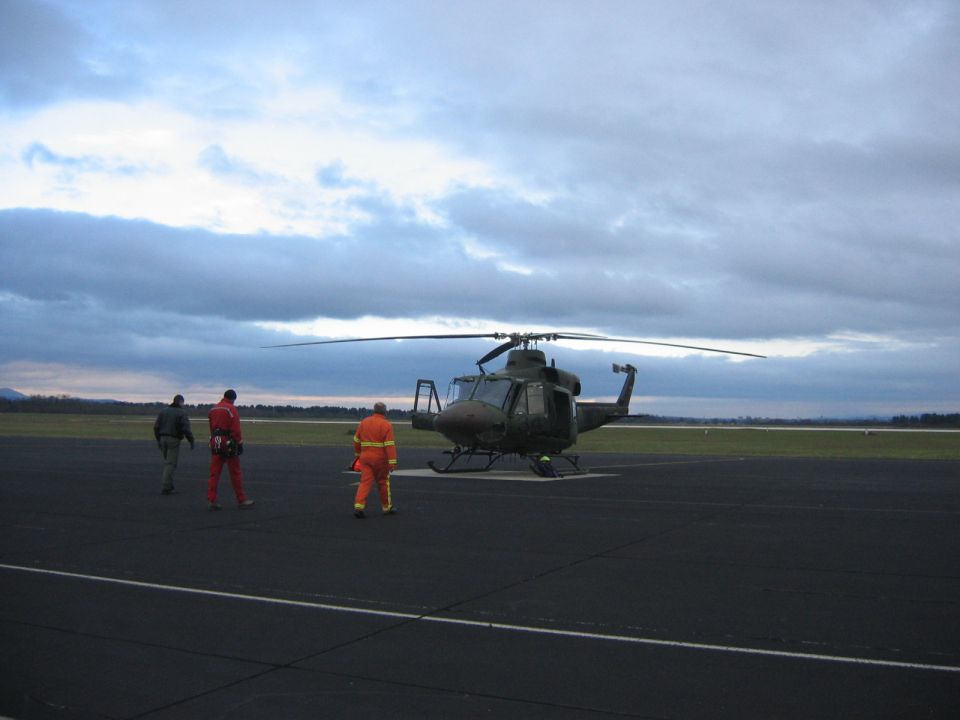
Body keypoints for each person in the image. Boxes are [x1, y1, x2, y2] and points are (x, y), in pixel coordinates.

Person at [207, 389, 254, 510]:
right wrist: (239, 442)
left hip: (216, 439)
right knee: (235, 471)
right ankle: (241, 499)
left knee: (215, 471)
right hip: (228, 440)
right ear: (233, 399)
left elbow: (211, 426)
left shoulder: (213, 409)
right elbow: (236, 429)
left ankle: (212, 500)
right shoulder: (231, 409)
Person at [352, 401, 397, 518]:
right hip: (381, 459)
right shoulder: (386, 425)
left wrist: (358, 454)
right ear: (385, 412)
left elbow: (356, 440)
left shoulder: (364, 422)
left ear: (374, 410)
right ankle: (387, 507)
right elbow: (389, 445)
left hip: (365, 458)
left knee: (365, 482)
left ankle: (359, 506)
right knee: (383, 482)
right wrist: (392, 462)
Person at [153, 394, 195, 494]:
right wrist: (191, 440)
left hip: (162, 438)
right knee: (170, 464)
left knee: (167, 462)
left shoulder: (163, 411)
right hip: (173, 440)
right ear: (181, 402)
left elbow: (156, 427)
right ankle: (166, 487)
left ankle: (169, 485)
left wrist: (158, 440)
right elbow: (186, 429)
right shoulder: (182, 413)